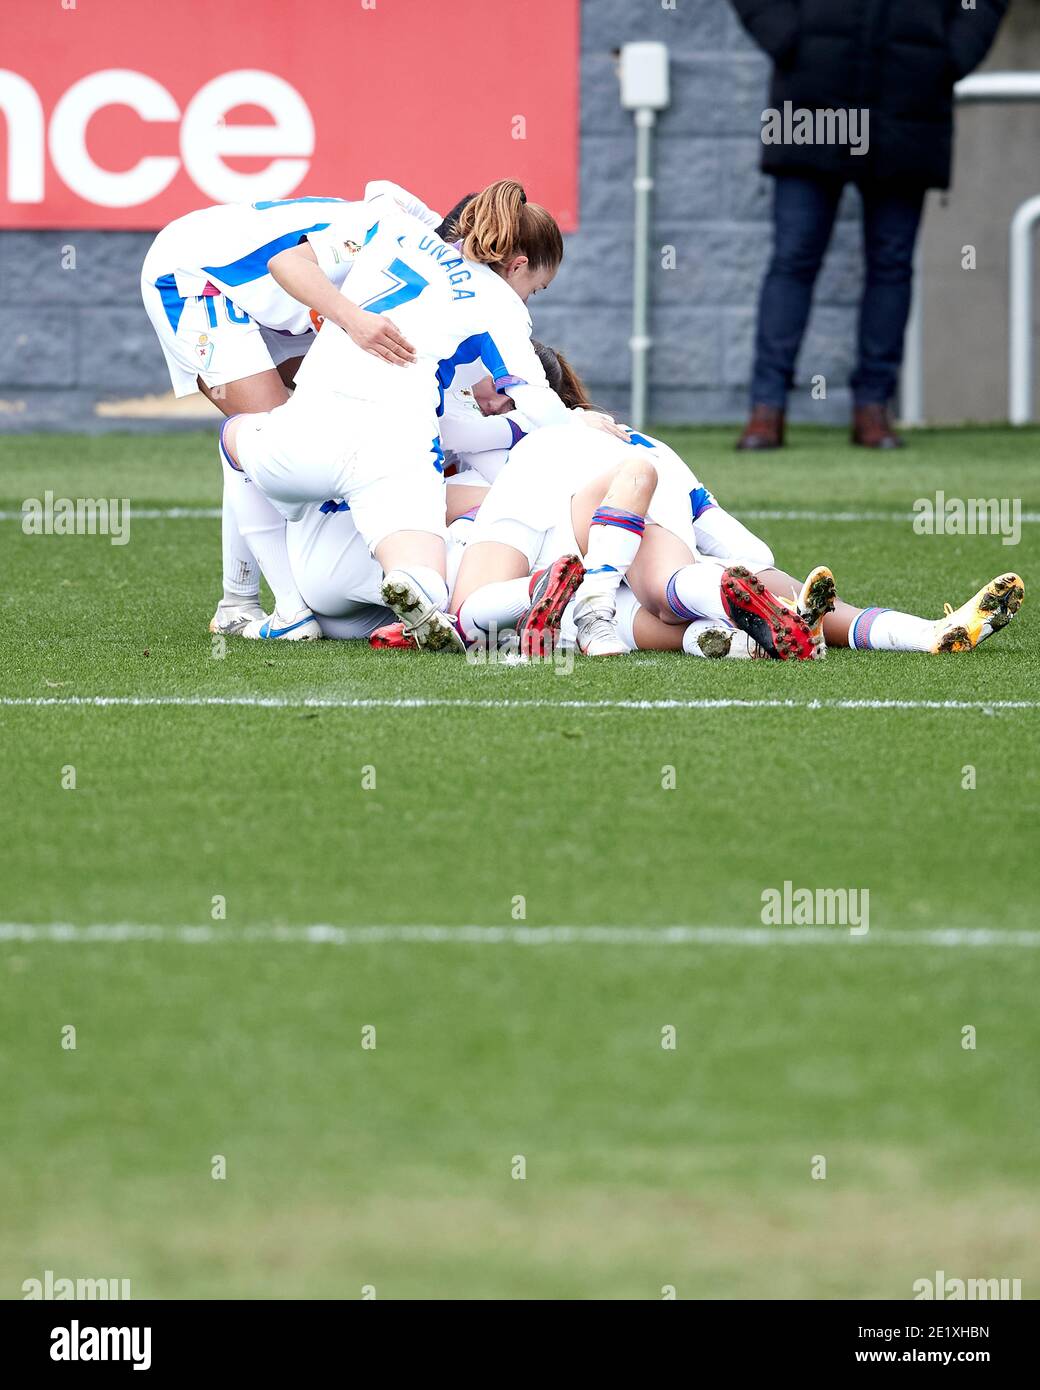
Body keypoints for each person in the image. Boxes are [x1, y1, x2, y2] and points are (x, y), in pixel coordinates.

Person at [220, 180, 574, 648]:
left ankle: (283, 608)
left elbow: (283, 262)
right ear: (519, 265)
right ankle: (425, 589)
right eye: (537, 288)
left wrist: (351, 318)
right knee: (426, 577)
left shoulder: (391, 227)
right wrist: (585, 429)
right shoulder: (501, 304)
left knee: (235, 437)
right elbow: (538, 404)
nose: (529, 298)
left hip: (312, 427)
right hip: (397, 449)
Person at [730, 0, 1009, 451]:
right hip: (812, 98)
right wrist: (786, 37)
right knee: (794, 257)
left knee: (892, 263)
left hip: (909, 100)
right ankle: (767, 408)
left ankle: (873, 408)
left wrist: (952, 53)